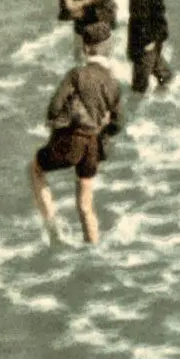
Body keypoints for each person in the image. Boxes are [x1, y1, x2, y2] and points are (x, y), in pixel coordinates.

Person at [29, 29, 124, 247]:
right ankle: (94, 246)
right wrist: (102, 130)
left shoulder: (76, 75)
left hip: (71, 140)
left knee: (35, 168)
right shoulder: (112, 82)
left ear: (86, 48)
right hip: (93, 144)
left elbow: (54, 107)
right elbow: (118, 123)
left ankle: (52, 228)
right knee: (85, 205)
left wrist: (56, 122)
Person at [127, 0, 173, 95]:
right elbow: (140, 18)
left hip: (153, 44)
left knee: (165, 76)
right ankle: (138, 106)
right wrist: (147, 41)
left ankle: (159, 95)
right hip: (145, 46)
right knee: (140, 84)